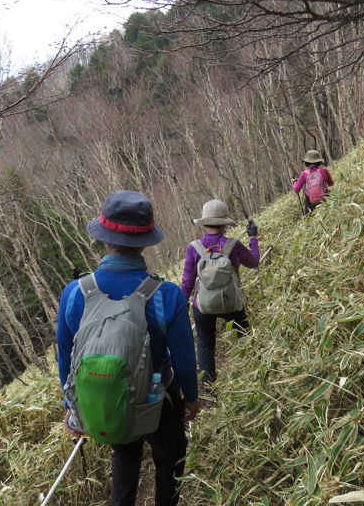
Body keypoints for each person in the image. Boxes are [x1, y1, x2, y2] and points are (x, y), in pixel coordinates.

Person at [57, 190, 199, 506]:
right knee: (170, 456)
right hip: (160, 397)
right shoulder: (167, 294)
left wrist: (72, 404)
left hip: (108, 394)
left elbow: (66, 356)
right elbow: (185, 360)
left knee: (124, 450)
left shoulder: (74, 293)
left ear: (104, 240)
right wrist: (191, 398)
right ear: (146, 242)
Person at [181, 199, 260, 390]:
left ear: (205, 222)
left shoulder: (194, 247)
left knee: (206, 344)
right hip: (230, 302)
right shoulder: (234, 245)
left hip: (203, 305)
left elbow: (188, 281)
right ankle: (251, 378)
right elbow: (254, 262)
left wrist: (182, 303)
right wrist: (253, 238)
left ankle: (209, 390)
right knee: (243, 337)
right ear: (225, 223)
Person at [292, 149, 334, 213]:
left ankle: (308, 218)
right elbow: (331, 184)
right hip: (324, 200)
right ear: (319, 161)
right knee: (328, 191)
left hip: (311, 204)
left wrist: (294, 182)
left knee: (306, 199)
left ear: (306, 162)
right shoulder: (324, 171)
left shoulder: (304, 174)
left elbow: (296, 189)